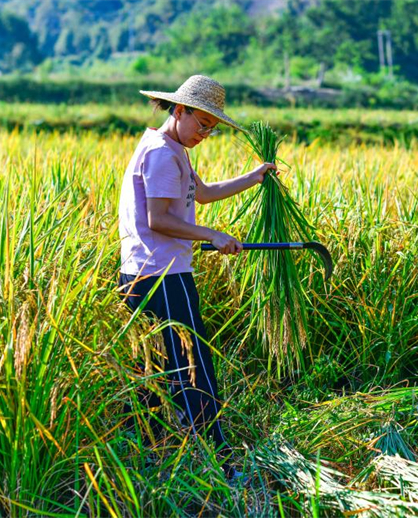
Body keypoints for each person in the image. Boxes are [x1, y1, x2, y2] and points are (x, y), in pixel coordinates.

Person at [117, 75, 275, 478]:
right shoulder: (161, 154)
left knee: (155, 368)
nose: (206, 133)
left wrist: (253, 178)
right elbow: (159, 219)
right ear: (180, 109)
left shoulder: (172, 148)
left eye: (213, 128)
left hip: (146, 273)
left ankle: (149, 460)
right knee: (193, 366)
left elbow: (199, 195)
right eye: (202, 123)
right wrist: (213, 235)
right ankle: (222, 463)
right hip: (162, 277)